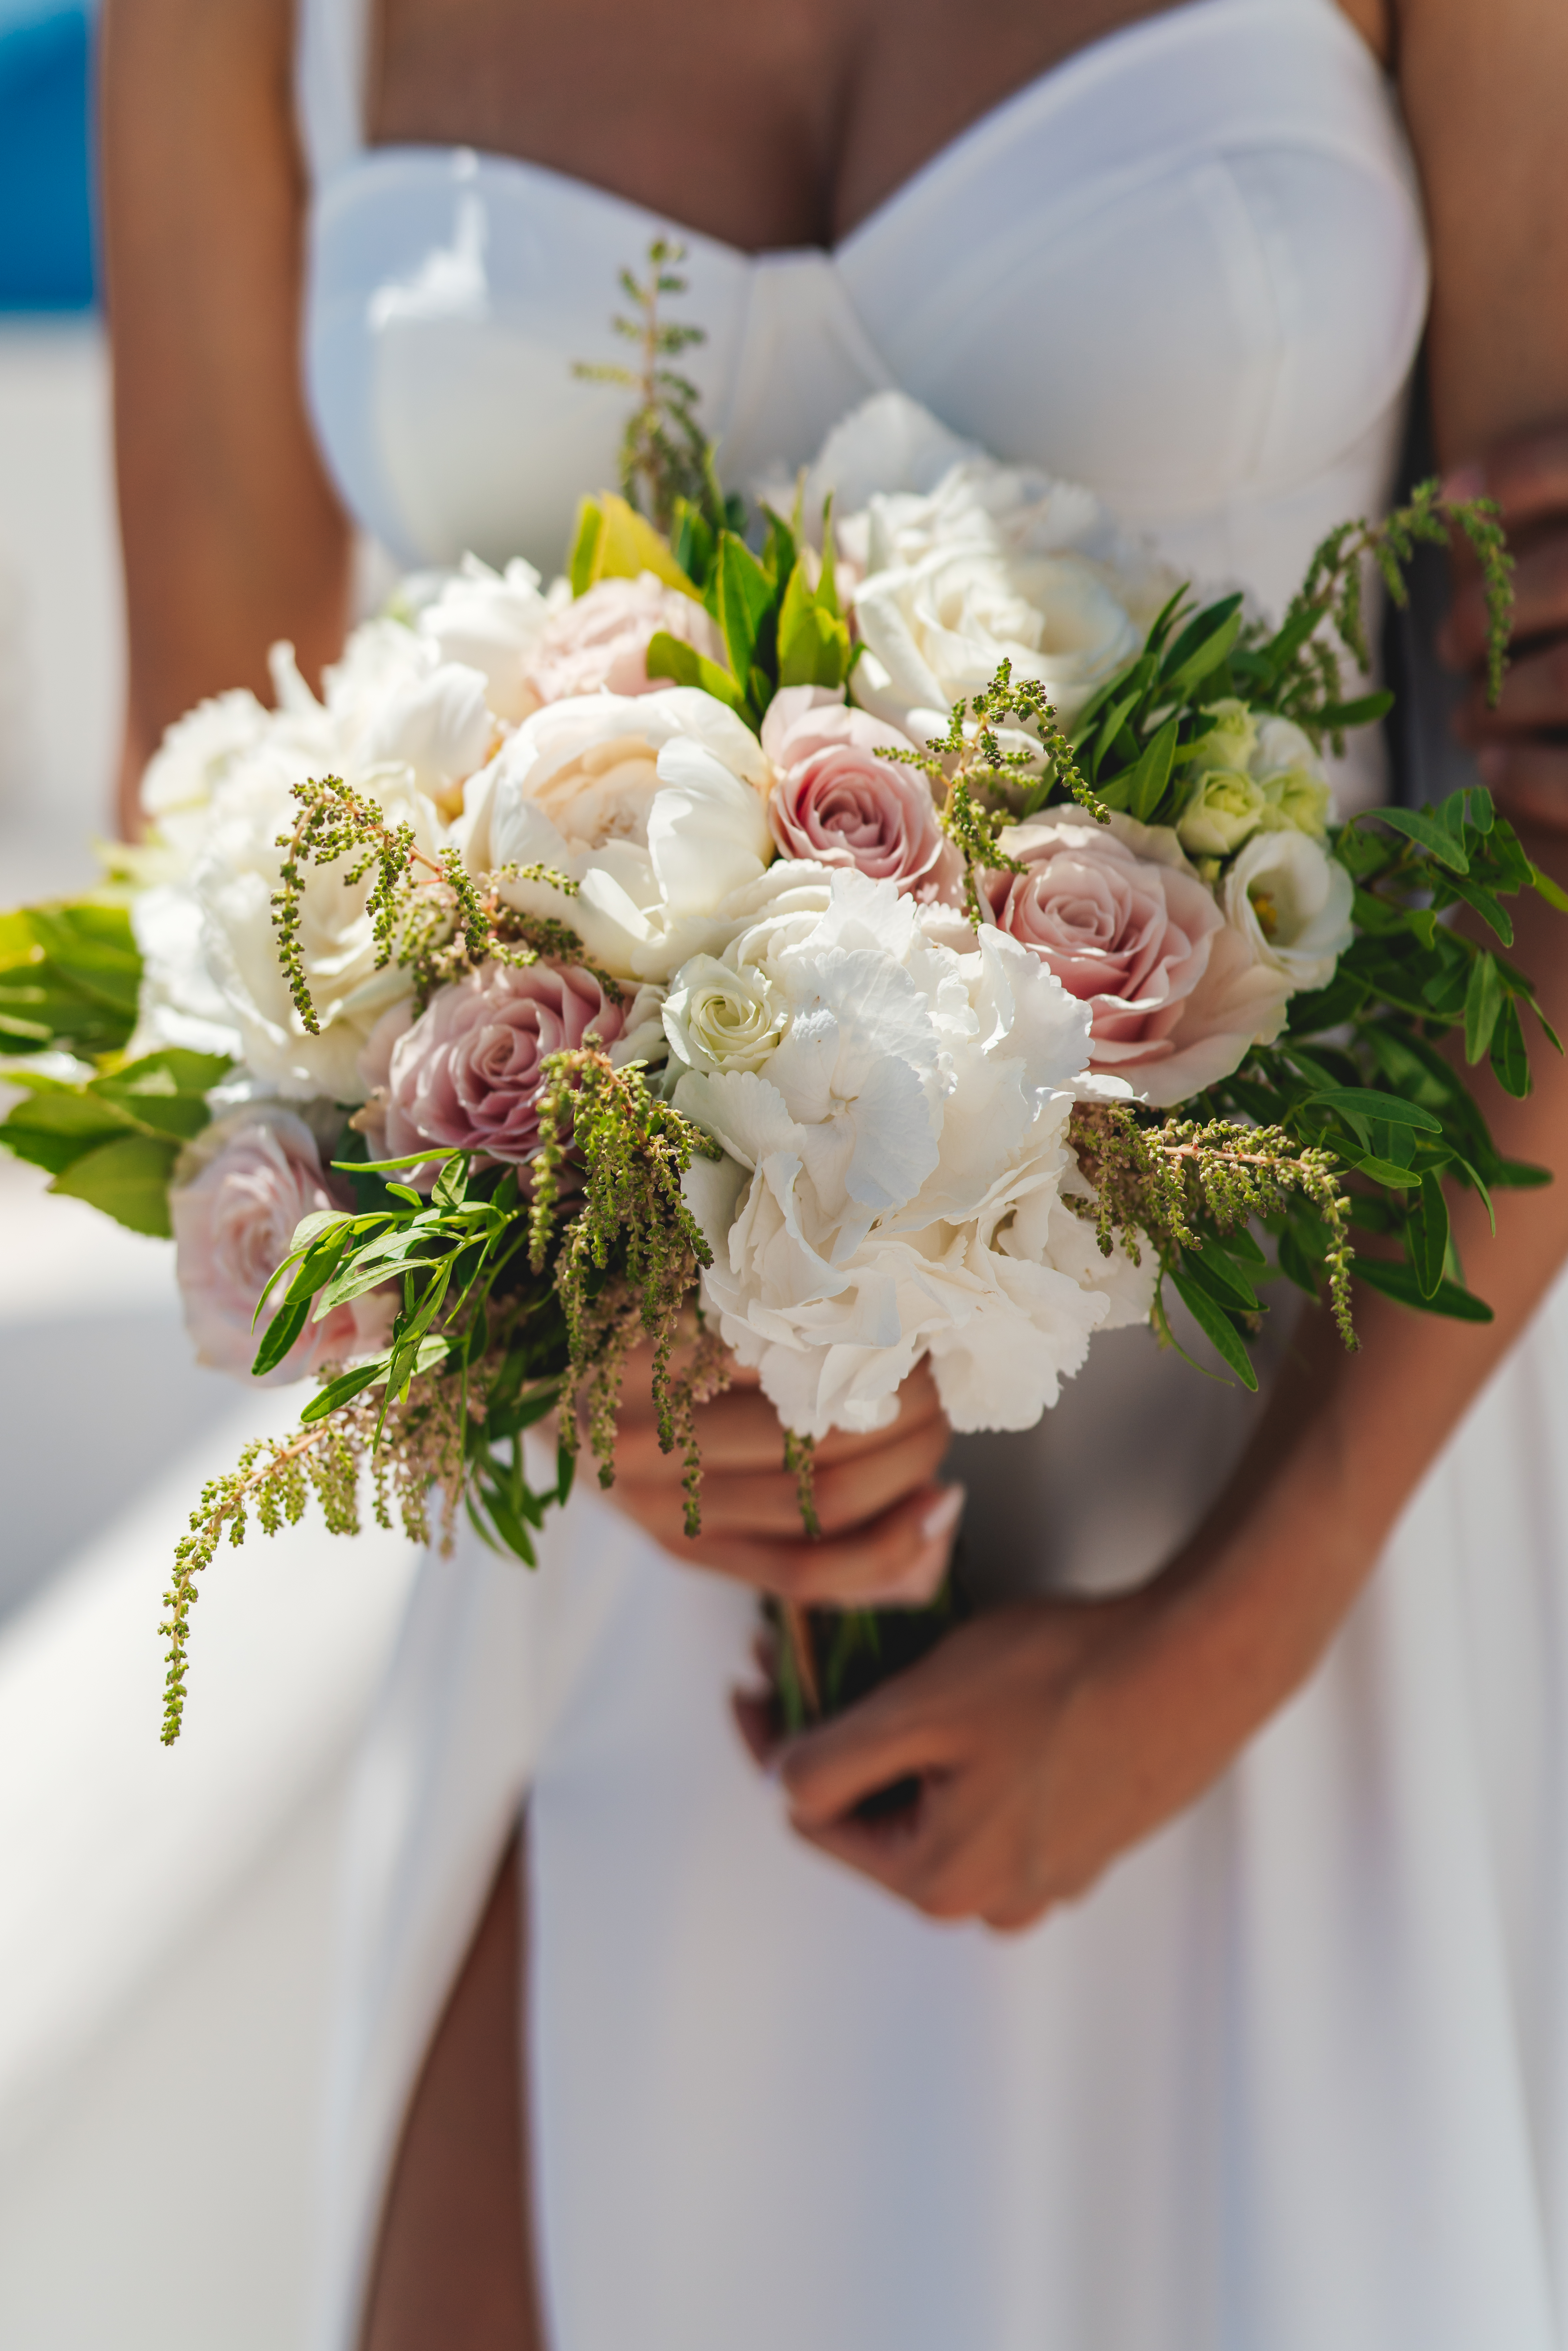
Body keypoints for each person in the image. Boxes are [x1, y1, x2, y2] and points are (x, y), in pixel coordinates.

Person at [102, 0, 1568, 2344]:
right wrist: (586, 1360)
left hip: (1287, 1543)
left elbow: (1556, 799)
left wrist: (1237, 1620)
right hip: (621, 1609)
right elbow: (194, 830)